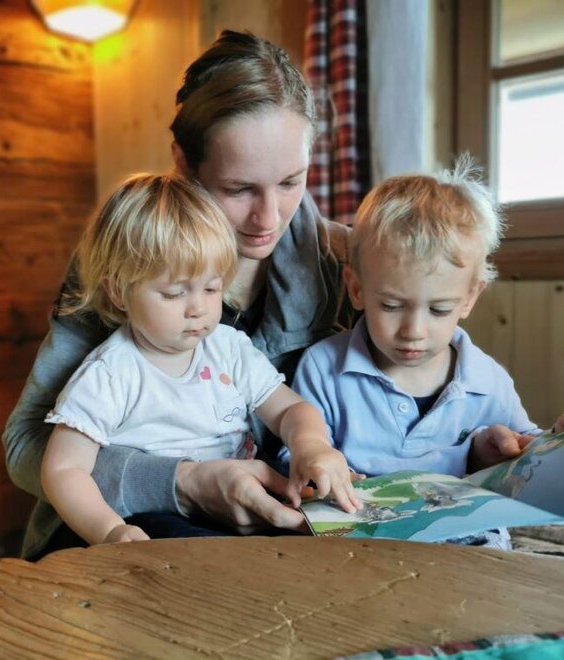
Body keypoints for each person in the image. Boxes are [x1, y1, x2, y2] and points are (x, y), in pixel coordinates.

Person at [3, 30, 353, 560]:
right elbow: (28, 447)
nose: (268, 218)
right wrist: (182, 482)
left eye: (291, 182)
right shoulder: (130, 258)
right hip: (135, 527)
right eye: (238, 189)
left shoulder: (346, 261)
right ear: (185, 164)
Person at [40, 174, 360, 546]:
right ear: (118, 292)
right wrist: (109, 530)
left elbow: (290, 410)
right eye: (174, 293)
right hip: (159, 515)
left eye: (211, 288)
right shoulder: (110, 374)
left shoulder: (228, 348)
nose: (198, 308)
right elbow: (64, 469)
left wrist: (311, 445)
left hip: (240, 498)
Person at [289, 160, 564, 548]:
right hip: (359, 539)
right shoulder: (323, 368)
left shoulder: (487, 380)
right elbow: (296, 460)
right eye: (392, 306)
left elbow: (522, 459)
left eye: (439, 310)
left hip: (467, 541)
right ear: (356, 289)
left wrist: (556, 445)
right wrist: (317, 470)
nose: (414, 331)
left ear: (470, 298)